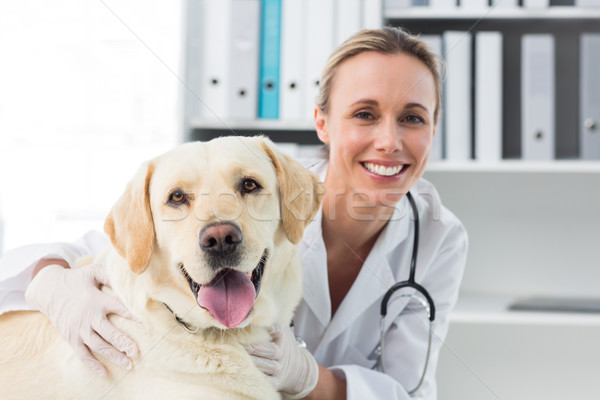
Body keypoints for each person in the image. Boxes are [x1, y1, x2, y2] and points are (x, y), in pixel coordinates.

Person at [0, 27, 467, 399]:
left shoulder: (440, 238)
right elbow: (118, 246)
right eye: (364, 114)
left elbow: (408, 392)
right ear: (322, 123)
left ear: (433, 127)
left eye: (413, 117)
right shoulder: (272, 184)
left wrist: (308, 379)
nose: (389, 141)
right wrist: (50, 281)